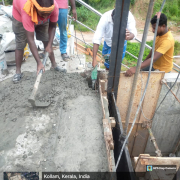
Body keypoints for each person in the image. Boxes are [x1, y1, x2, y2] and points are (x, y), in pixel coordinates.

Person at [12, 0, 63, 83]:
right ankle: (18, 72)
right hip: (21, 18)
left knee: (46, 40)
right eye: (43, 14)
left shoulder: (53, 7)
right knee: (20, 43)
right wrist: (39, 62)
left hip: (39, 14)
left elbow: (53, 26)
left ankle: (54, 65)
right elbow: (30, 40)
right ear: (36, 8)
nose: (45, 16)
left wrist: (49, 44)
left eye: (48, 14)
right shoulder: (26, 9)